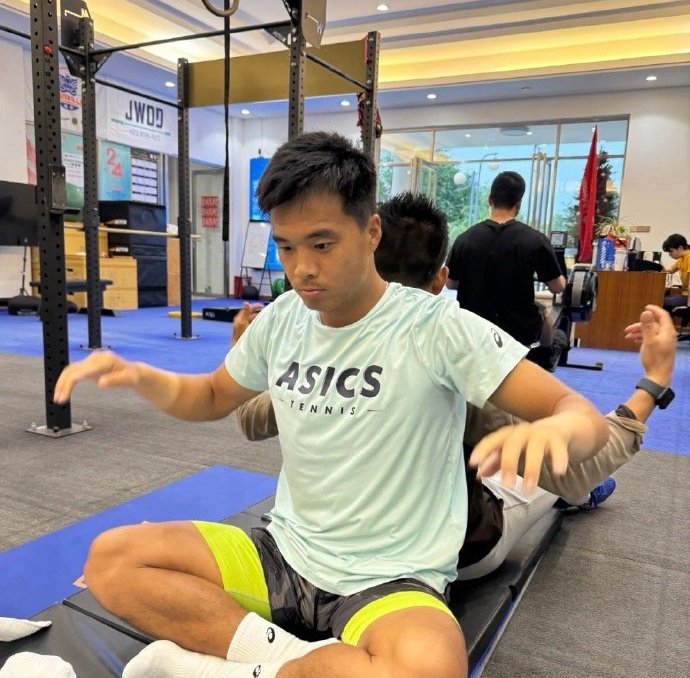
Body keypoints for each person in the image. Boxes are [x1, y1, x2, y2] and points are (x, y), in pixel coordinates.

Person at [53, 132, 608, 678]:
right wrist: (141, 376)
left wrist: (555, 427)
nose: (302, 268)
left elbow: (579, 414)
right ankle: (298, 672)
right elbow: (210, 395)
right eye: (286, 246)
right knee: (112, 559)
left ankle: (205, 673)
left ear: (370, 232)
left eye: (322, 244)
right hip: (283, 554)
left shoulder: (436, 327)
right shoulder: (283, 319)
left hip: (390, 581)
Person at [236, 192, 677, 581]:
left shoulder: (320, 359)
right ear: (438, 281)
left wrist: (245, 354)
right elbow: (578, 471)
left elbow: (253, 419)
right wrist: (653, 382)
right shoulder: (453, 371)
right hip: (454, 554)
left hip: (336, 548)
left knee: (524, 451)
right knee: (545, 472)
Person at [446, 171, 565, 351]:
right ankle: (545, 357)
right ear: (518, 204)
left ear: (490, 199)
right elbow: (557, 287)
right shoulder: (535, 240)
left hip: (472, 332)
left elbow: (450, 283)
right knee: (544, 313)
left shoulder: (465, 239)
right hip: (518, 335)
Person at [661, 233, 690, 314]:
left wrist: (688, 307)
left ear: (680, 248)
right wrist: (656, 267)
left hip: (688, 297)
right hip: (685, 295)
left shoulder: (689, 258)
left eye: (671, 251)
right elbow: (670, 269)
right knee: (661, 298)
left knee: (660, 301)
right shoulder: (682, 259)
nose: (669, 255)